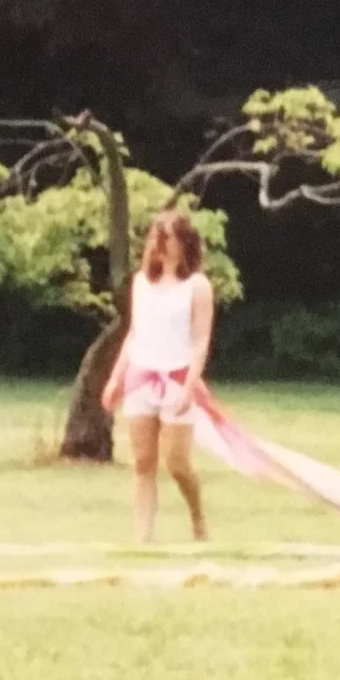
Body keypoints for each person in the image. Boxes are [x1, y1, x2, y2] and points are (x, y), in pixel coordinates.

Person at [100, 211, 216, 544]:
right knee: (143, 463)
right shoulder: (141, 282)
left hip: (178, 378)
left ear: (184, 243)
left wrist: (190, 385)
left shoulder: (197, 286)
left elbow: (200, 340)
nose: (159, 245)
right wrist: (115, 378)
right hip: (142, 377)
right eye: (155, 237)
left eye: (167, 238)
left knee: (177, 462)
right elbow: (135, 333)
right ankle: (143, 539)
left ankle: (197, 518)